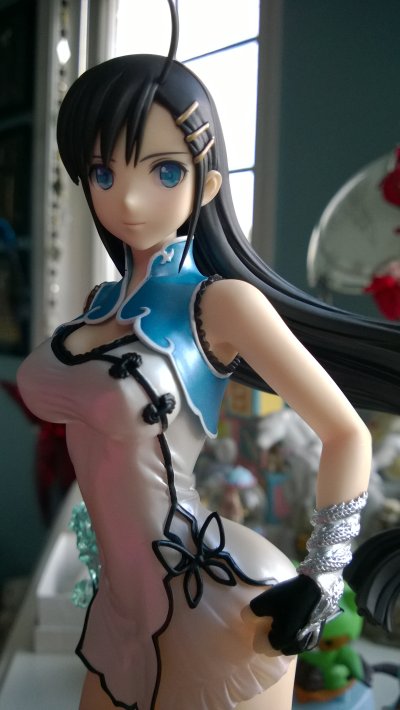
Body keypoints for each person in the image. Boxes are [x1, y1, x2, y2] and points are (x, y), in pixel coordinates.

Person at [17, 23, 400, 709]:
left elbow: (347, 433)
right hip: (119, 603)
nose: (129, 199)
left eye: (164, 171)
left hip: (215, 599)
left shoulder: (219, 305)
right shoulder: (96, 304)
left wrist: (323, 579)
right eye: (104, 172)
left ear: (206, 182)